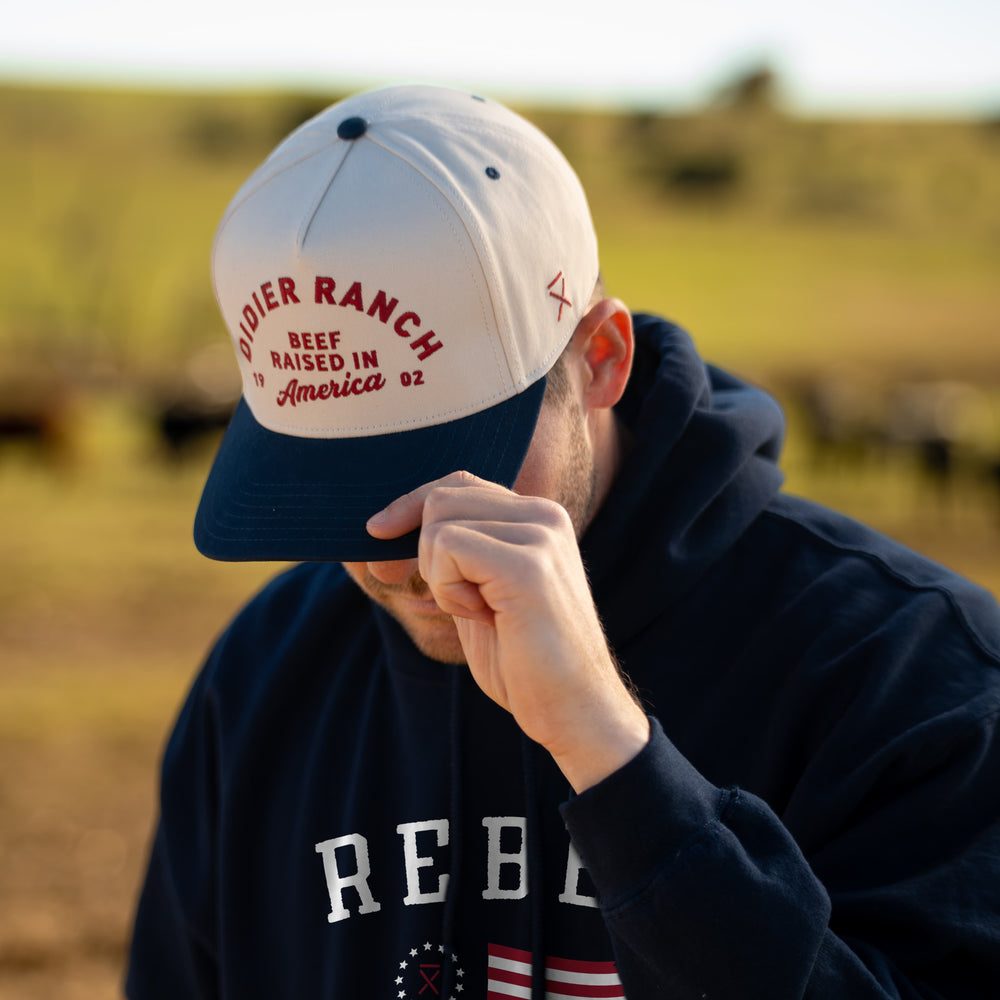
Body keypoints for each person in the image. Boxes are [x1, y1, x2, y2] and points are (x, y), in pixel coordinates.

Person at [126, 84, 1000, 999]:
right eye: (329, 489)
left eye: (445, 467)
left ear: (601, 359)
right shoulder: (265, 676)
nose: (389, 560)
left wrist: (616, 760)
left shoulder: (914, 676)